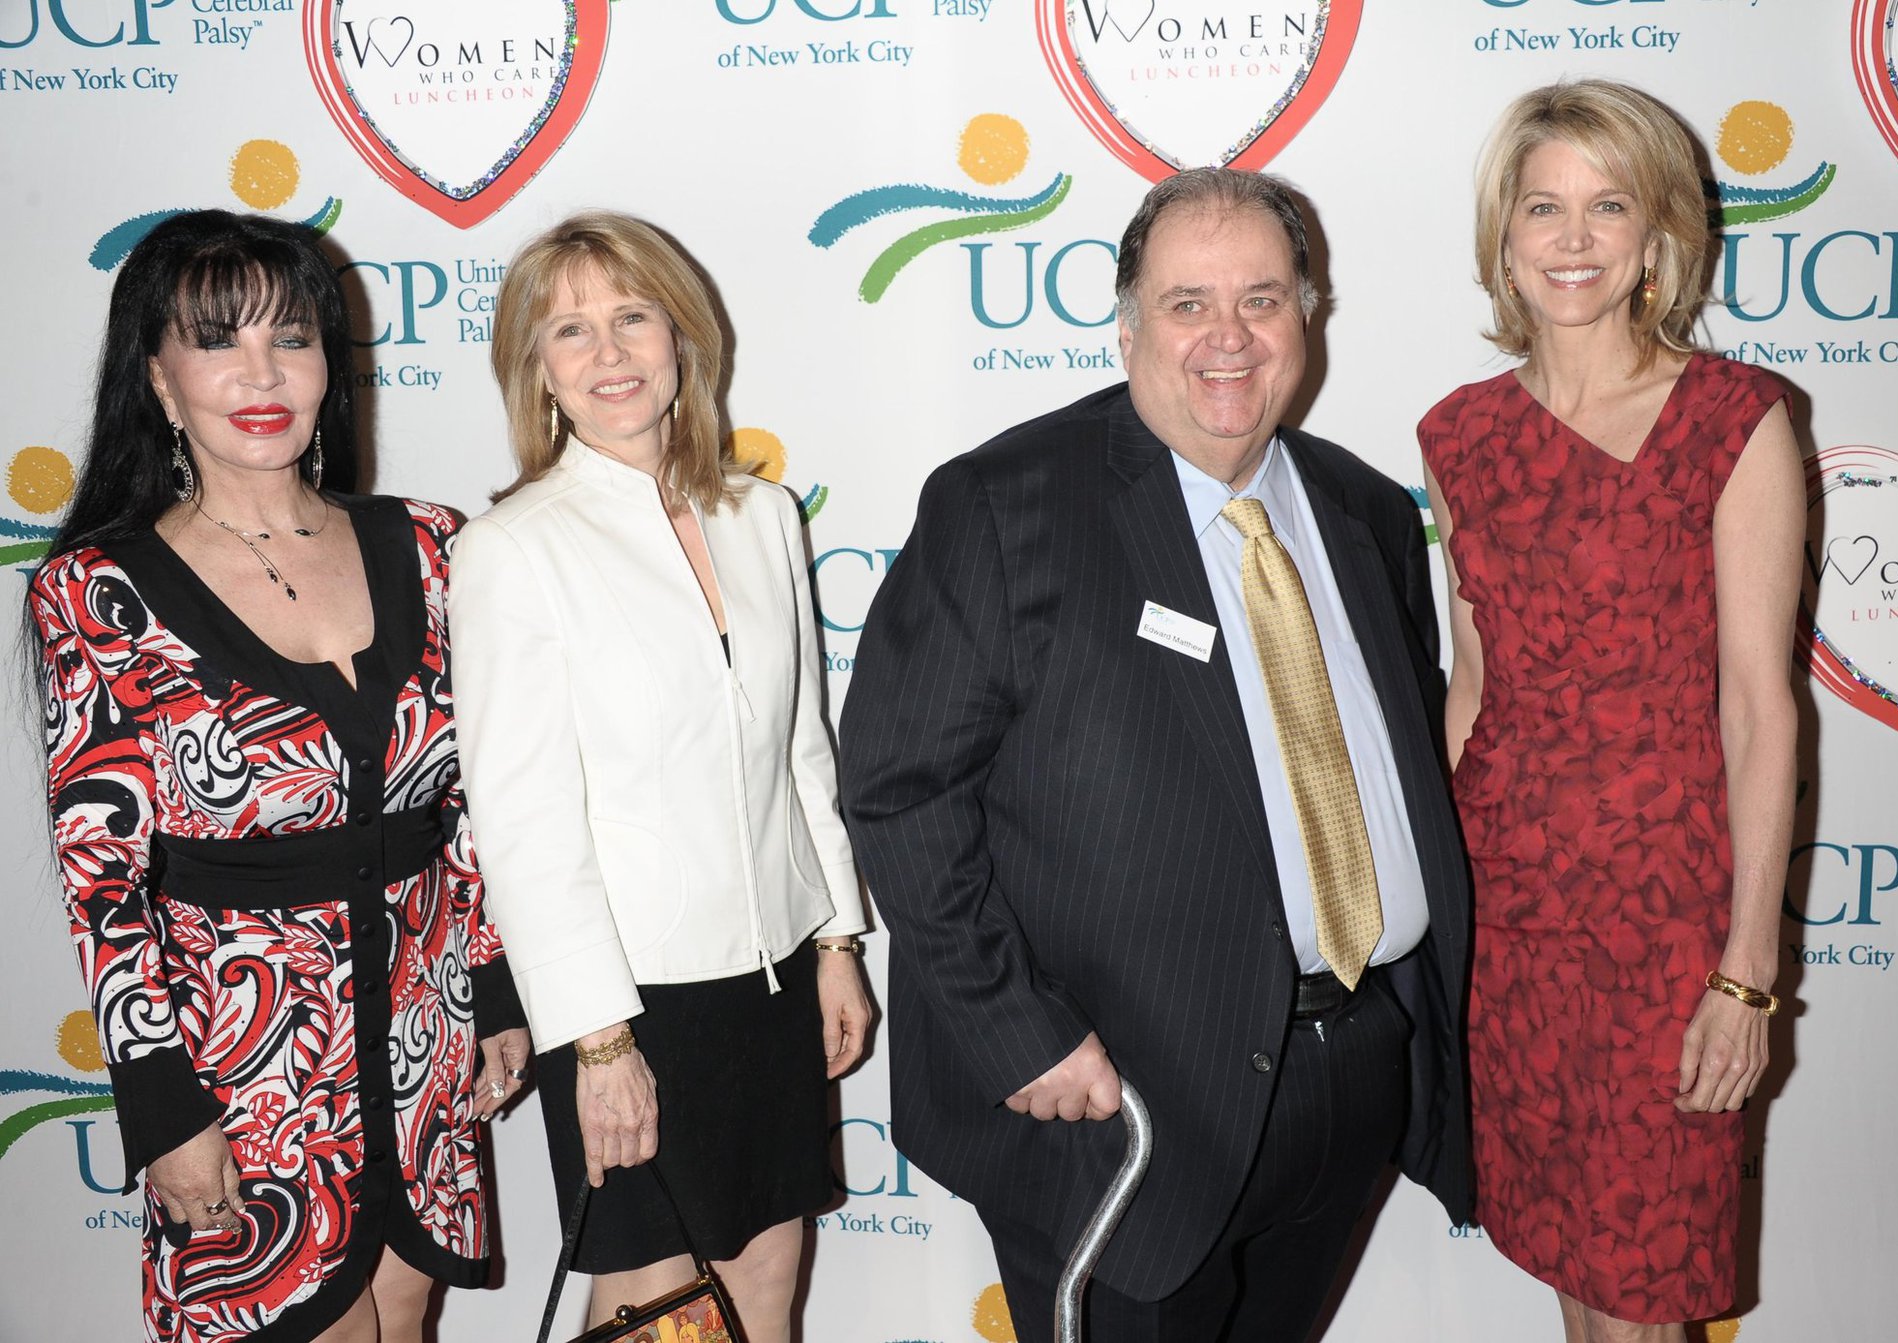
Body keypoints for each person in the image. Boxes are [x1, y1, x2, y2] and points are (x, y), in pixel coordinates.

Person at [840, 168, 1474, 1341]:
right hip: (1120, 1102)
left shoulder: (1366, 513)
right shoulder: (1002, 506)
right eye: (1188, 304)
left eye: (1262, 299)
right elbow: (897, 790)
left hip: (1350, 1071)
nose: (1228, 336)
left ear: (1307, 318)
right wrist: (1017, 1030)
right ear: (1127, 326)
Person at [28, 209, 532, 1343]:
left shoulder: (431, 544)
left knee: (404, 1320)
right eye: (217, 341)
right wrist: (163, 1105)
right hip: (242, 1073)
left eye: (291, 337)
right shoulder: (97, 591)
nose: (261, 374)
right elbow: (102, 882)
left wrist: (493, 986)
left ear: (328, 366)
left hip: (421, 1038)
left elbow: (473, 802)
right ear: (157, 377)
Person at [1419, 80, 1802, 1342]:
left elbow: (1757, 709)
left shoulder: (1732, 419)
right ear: (1502, 235)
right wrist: (1436, 926)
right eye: (1542, 207)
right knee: (1575, 1269)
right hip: (1509, 914)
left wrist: (1746, 972)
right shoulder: (1458, 435)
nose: (1572, 238)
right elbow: (1471, 687)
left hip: (1663, 923)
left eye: (1606, 206)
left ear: (1655, 237)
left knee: (1646, 1283)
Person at [447, 211, 872, 1343]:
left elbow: (801, 748)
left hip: (774, 976)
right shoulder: (512, 549)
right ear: (537, 371)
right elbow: (524, 826)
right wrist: (597, 1043)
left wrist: (836, 938)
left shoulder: (762, 515)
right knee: (656, 1312)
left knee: (766, 1283)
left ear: (683, 336)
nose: (610, 352)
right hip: (629, 1001)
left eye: (632, 316)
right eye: (570, 330)